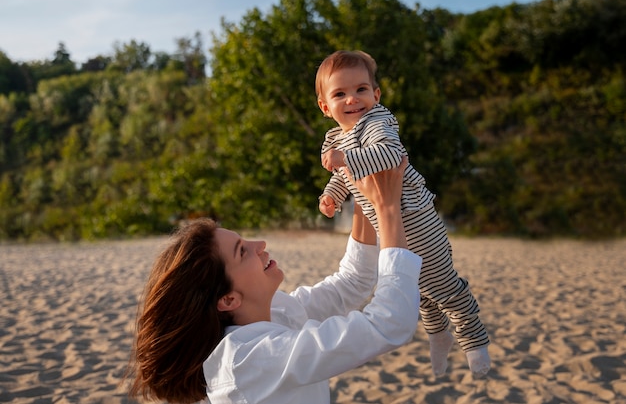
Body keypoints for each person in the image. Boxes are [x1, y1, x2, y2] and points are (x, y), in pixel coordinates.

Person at [127, 158, 423, 404]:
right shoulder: (248, 359)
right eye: (242, 251)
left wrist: (364, 199)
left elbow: (352, 283)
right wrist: (387, 210)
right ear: (228, 299)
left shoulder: (272, 311)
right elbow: (389, 323)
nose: (260, 244)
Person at [316, 50, 491, 378]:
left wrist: (344, 161)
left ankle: (474, 341)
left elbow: (388, 154)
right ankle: (438, 335)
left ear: (376, 95)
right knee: (414, 288)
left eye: (361, 90)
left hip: (416, 220)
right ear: (326, 107)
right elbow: (344, 177)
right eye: (340, 93)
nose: (353, 99)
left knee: (445, 287)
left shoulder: (378, 122)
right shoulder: (335, 139)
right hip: (388, 225)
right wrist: (331, 196)